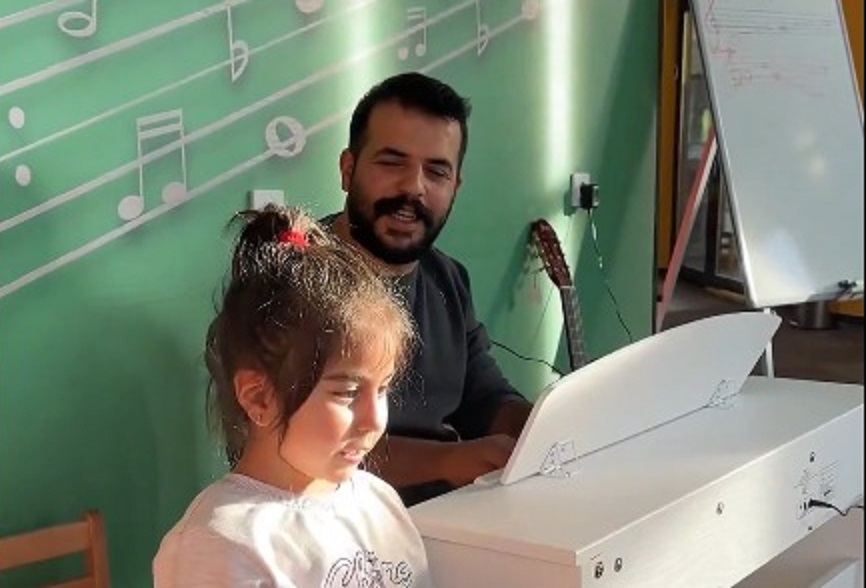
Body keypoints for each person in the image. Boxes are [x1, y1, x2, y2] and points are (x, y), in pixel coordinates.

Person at [154, 205, 433, 588]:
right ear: (259, 398)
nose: (375, 421)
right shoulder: (220, 543)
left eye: (382, 388)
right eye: (348, 392)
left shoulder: (378, 501)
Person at [326, 72, 533, 506]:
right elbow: (296, 443)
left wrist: (544, 426)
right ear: (348, 169)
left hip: (448, 519)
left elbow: (483, 396)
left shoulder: (448, 279)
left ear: (455, 186)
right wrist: (447, 461)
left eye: (437, 171)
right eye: (391, 162)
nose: (413, 187)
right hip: (333, 526)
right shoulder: (296, 278)